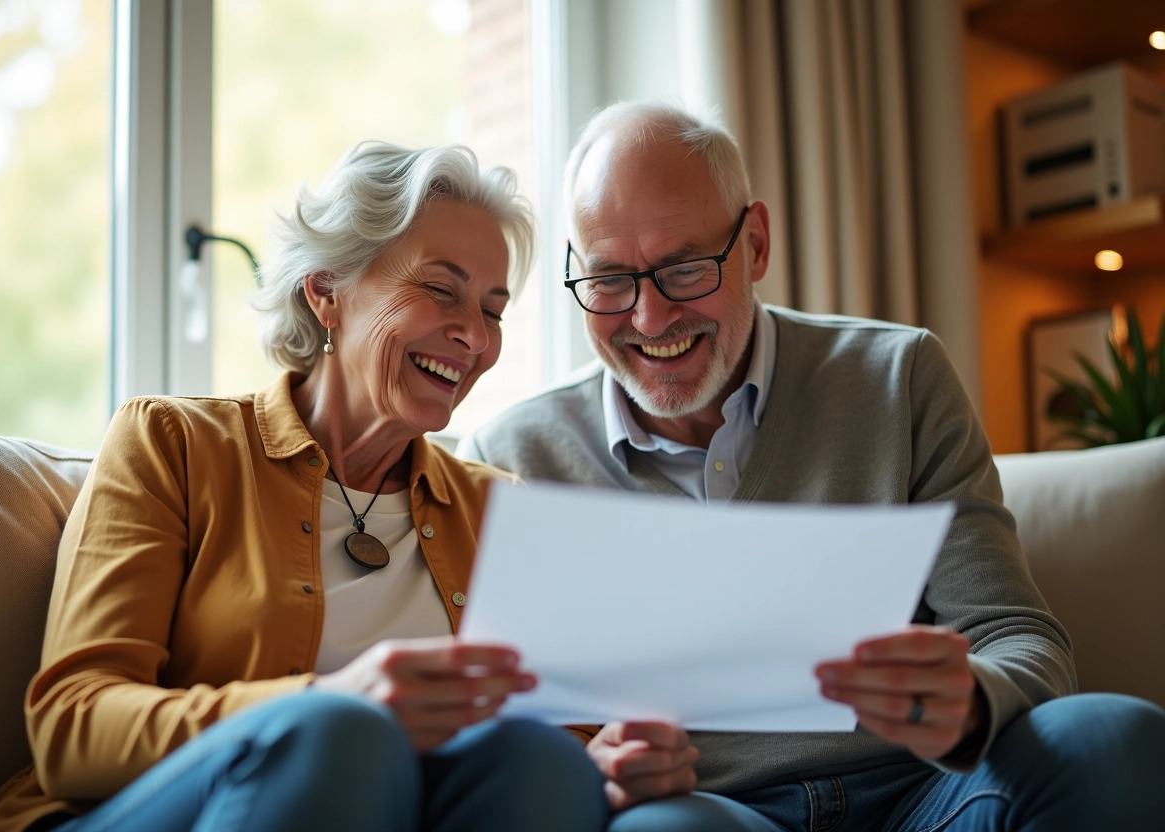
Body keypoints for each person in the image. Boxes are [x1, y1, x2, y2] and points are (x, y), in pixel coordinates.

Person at [457, 100, 1165, 830]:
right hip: (708, 812)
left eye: (686, 269)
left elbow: (1019, 633)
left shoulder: (899, 376)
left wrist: (972, 702)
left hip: (928, 799)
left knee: (1114, 740)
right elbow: (497, 741)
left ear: (755, 245)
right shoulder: (511, 457)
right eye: (609, 280)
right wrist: (588, 766)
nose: (649, 318)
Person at [0, 142, 608, 832]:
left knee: (538, 758)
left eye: (493, 309)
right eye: (439, 288)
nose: (473, 337)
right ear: (326, 291)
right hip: (151, 814)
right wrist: (324, 701)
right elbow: (75, 724)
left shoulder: (496, 507)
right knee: (340, 732)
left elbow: (568, 738)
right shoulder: (173, 443)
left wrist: (616, 760)